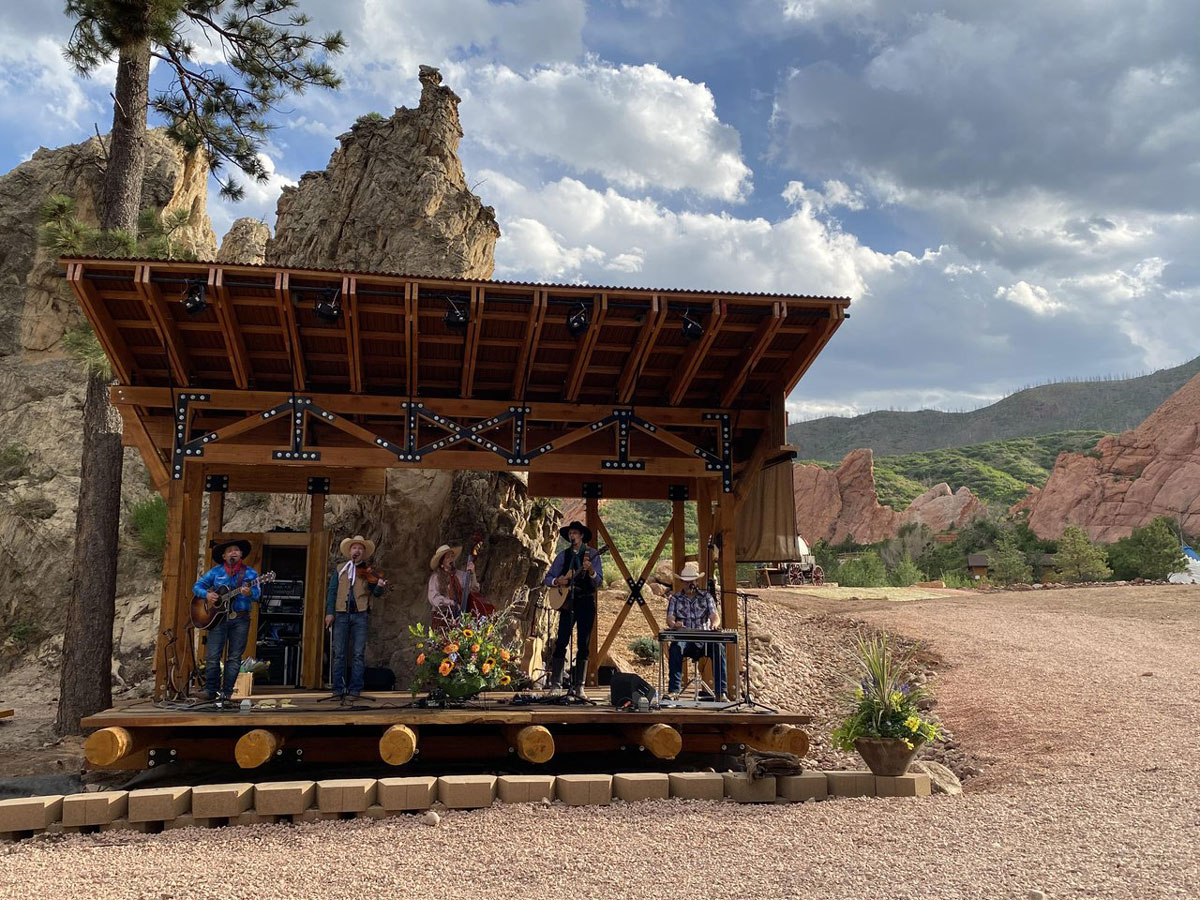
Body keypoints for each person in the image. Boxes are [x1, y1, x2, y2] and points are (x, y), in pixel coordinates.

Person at [194, 538, 262, 701]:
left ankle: (227, 693)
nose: (233, 552)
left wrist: (249, 593)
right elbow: (197, 587)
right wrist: (207, 595)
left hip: (240, 618)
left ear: (241, 554)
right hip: (217, 618)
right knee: (212, 656)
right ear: (224, 556)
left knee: (234, 657)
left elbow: (258, 595)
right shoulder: (215, 572)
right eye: (230, 551)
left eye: (236, 550)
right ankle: (211, 691)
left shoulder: (250, 573)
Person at [544, 520, 604, 695]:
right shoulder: (563, 556)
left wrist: (591, 571)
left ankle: (579, 686)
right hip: (568, 603)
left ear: (582, 536)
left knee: (583, 644)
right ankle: (556, 684)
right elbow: (548, 578)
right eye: (570, 533)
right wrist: (558, 580)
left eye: (575, 533)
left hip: (586, 602)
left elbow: (598, 581)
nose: (572, 536)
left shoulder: (593, 555)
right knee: (561, 640)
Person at [324, 535, 387, 702]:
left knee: (358, 653)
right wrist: (329, 612)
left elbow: (376, 593)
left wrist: (379, 586)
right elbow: (332, 592)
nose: (357, 550)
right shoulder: (340, 569)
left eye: (360, 548)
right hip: (341, 613)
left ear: (363, 553)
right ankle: (338, 689)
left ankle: (355, 690)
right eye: (354, 548)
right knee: (339, 653)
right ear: (350, 551)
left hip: (360, 614)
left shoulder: (369, 571)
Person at [665, 561, 727, 700]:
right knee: (675, 648)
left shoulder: (706, 597)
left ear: (696, 582)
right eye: (686, 582)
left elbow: (714, 615)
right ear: (682, 582)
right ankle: (674, 691)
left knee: (719, 648)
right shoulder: (675, 598)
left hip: (704, 639)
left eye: (691, 581)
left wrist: (714, 624)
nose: (689, 584)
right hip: (685, 640)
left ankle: (721, 692)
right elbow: (670, 618)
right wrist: (674, 624)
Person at [427, 542, 479, 629]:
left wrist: (472, 573)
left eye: (452, 556)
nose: (451, 559)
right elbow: (434, 598)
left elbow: (474, 589)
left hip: (459, 615)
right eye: (448, 557)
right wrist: (452, 603)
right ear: (441, 562)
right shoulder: (435, 577)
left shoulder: (460, 575)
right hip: (442, 616)